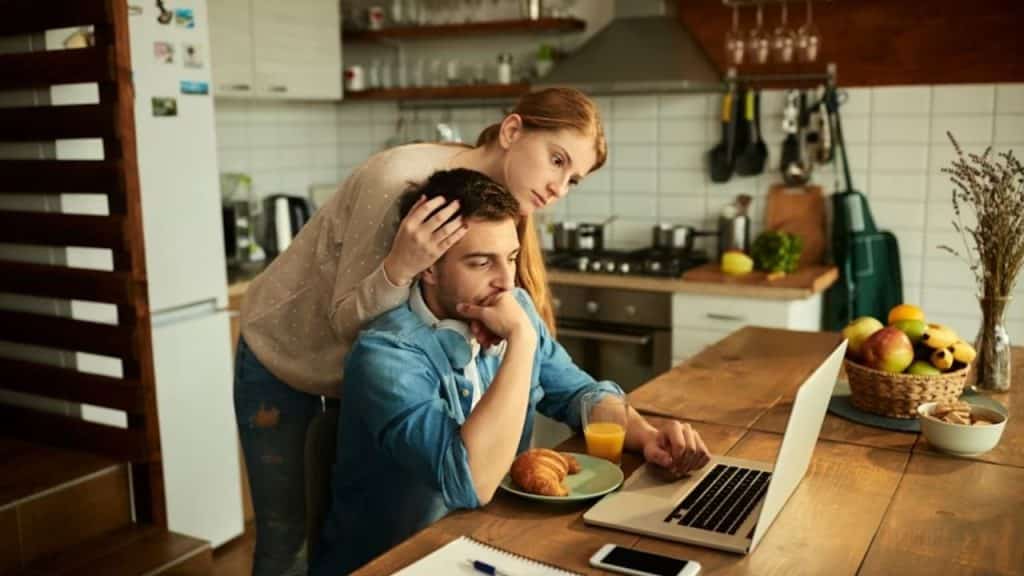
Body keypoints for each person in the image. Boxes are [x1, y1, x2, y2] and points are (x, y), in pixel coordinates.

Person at [234, 88, 608, 575]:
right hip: (284, 356)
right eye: (556, 160)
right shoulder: (400, 185)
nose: (558, 187)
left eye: (573, 178)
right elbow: (355, 327)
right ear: (513, 132)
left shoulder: (492, 201)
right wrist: (400, 267)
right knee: (287, 543)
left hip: (359, 375)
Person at [311, 169, 711, 575]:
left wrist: (645, 437)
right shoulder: (387, 355)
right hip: (397, 564)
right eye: (481, 262)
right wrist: (521, 342)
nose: (505, 281)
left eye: (512, 258)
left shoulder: (511, 305)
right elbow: (470, 481)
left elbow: (577, 394)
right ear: (428, 267)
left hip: (488, 545)